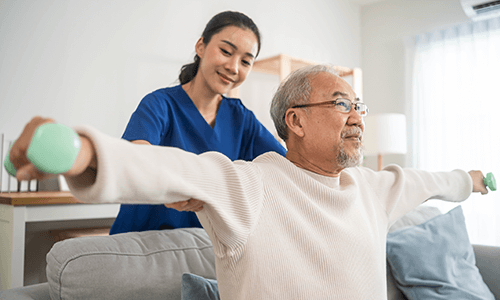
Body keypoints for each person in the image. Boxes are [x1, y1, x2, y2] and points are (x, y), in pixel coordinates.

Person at [9, 65, 488, 299]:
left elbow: (433, 182)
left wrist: (474, 180)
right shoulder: (250, 186)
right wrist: (77, 151)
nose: (358, 117)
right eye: (343, 104)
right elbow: (164, 168)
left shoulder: (373, 188)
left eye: (358, 106)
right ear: (295, 122)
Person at [110, 11, 286, 234]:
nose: (233, 67)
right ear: (201, 46)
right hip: (144, 243)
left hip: (205, 249)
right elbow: (134, 157)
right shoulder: (160, 104)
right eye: (225, 51)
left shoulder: (241, 119)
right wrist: (170, 186)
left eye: (245, 61)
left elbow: (284, 167)